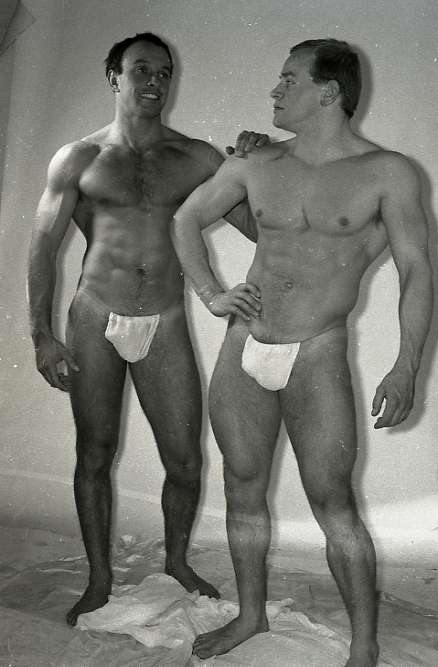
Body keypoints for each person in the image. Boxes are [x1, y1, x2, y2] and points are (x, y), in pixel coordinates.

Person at [171, 38, 433, 666]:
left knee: (333, 501)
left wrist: (406, 365)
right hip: (245, 345)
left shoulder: (388, 172)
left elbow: (417, 270)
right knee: (242, 486)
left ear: (328, 91)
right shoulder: (255, 164)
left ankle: (363, 643)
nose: (276, 89)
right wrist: (211, 294)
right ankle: (250, 615)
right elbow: (185, 219)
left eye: (290, 79)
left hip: (316, 351)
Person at [27, 31, 268, 627]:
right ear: (115, 76)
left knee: (185, 460)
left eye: (164, 72)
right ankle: (99, 578)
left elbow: (259, 226)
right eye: (142, 70)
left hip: (164, 318)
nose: (155, 81)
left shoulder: (197, 158)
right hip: (94, 315)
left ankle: (177, 562)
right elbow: (42, 247)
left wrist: (260, 165)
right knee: (94, 451)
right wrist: (41, 335)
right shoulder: (78, 158)